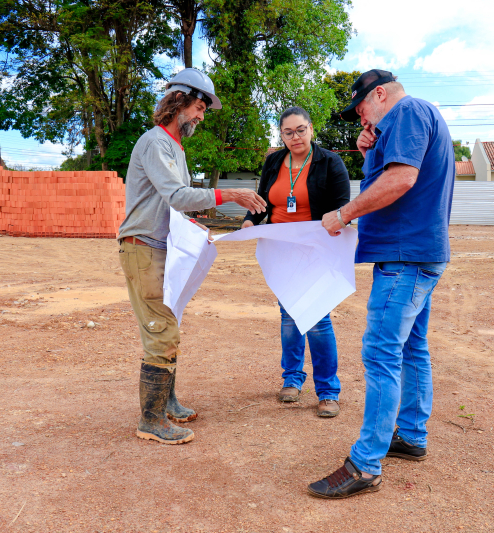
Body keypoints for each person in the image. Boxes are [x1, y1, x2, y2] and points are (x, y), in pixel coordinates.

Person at [308, 69, 455, 497]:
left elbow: (401, 179)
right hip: (419, 251)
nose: (362, 120)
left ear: (379, 94)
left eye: (361, 111)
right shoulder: (414, 118)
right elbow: (390, 175)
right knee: (412, 348)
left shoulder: (407, 111)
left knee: (380, 352)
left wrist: (343, 214)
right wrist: (370, 151)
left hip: (403, 256)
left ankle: (366, 463)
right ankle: (410, 435)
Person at [118, 68, 266, 445]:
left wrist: (198, 231)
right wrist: (230, 195)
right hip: (143, 248)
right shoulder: (155, 144)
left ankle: (165, 402)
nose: (201, 116)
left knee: (171, 320)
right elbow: (179, 196)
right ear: (178, 102)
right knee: (161, 329)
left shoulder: (174, 148)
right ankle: (150, 419)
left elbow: (177, 209)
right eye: (199, 107)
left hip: (160, 247)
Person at [242, 106, 350, 418]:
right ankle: (292, 379)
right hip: (281, 251)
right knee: (289, 315)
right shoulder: (275, 161)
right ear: (281, 135)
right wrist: (250, 221)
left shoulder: (330, 162)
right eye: (288, 132)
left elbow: (341, 207)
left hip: (316, 251)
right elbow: (262, 202)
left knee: (317, 319)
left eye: (300, 130)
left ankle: (328, 391)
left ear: (311, 129)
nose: (295, 137)